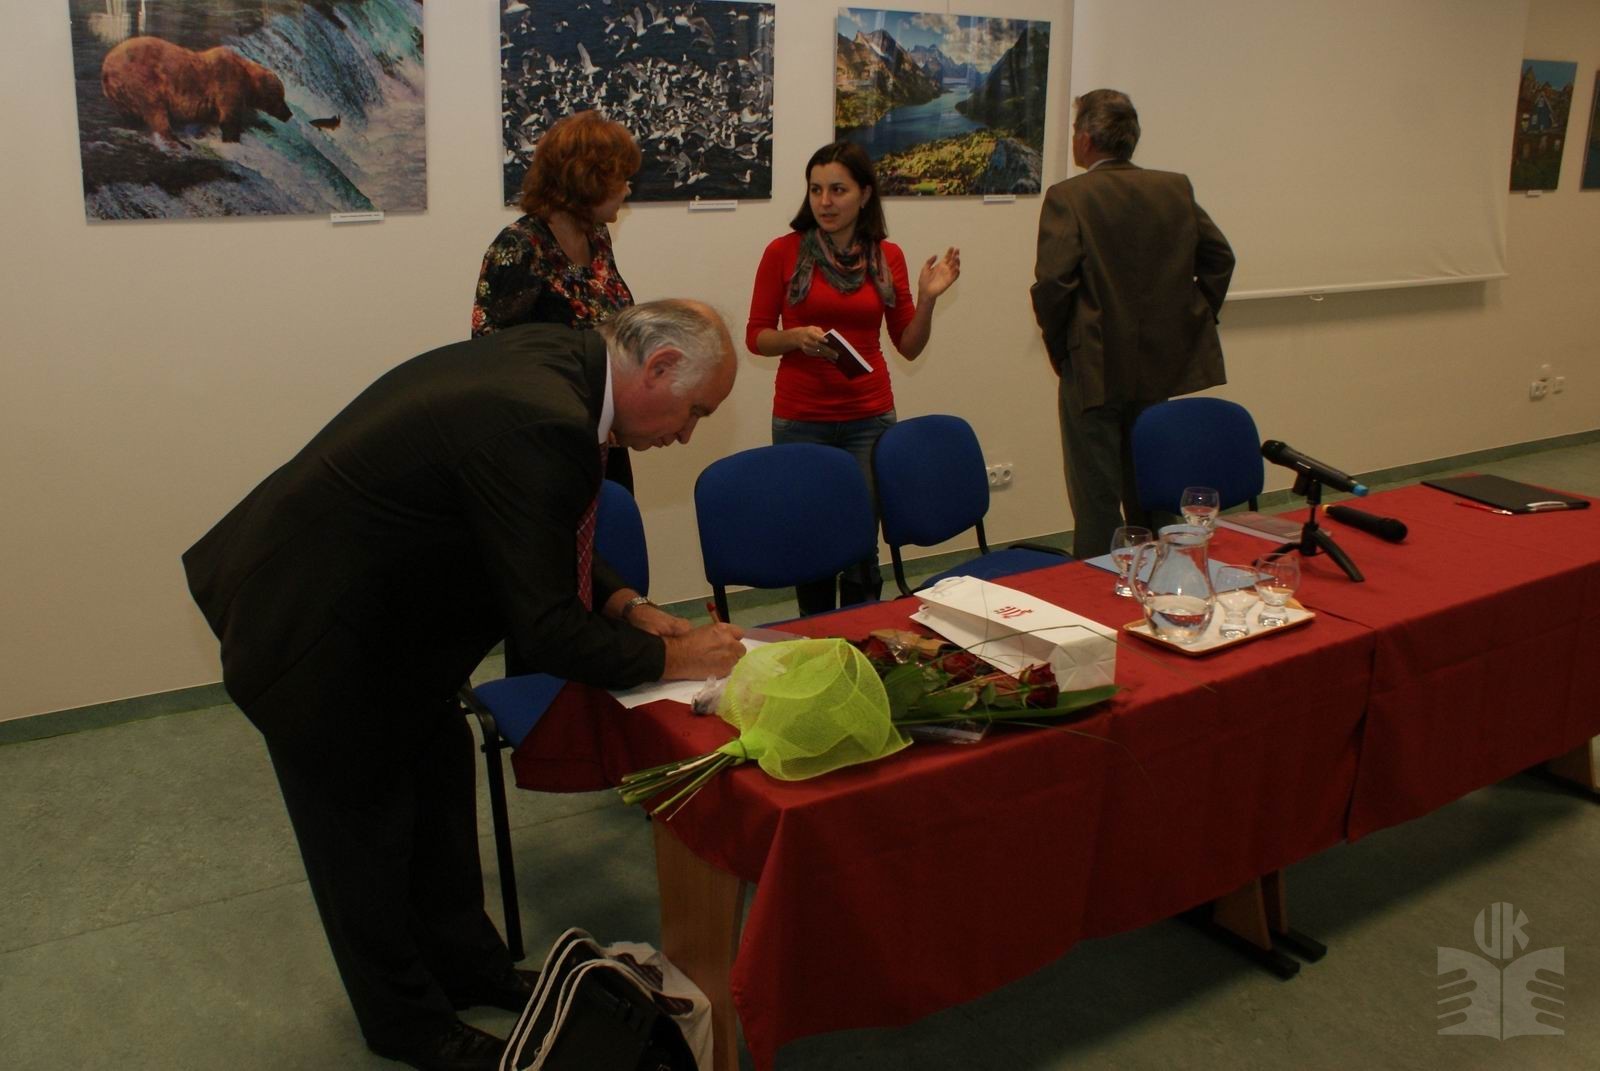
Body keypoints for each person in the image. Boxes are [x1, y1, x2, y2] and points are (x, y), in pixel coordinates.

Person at [182, 300, 745, 1071]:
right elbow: (545, 631)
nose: (686, 434)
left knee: (440, 788)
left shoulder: (570, 368)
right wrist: (676, 658)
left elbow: (536, 524)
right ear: (658, 367)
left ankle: (468, 966)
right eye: (696, 411)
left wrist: (626, 604)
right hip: (314, 631)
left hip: (391, 626)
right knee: (364, 839)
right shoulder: (545, 416)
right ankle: (408, 1022)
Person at [745, 141, 960, 615]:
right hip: (801, 419)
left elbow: (908, 345)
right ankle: (816, 635)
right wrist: (794, 337)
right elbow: (756, 336)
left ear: (864, 194)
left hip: (869, 418)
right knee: (812, 539)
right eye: (816, 190)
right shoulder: (782, 252)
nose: (824, 202)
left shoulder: (887, 256)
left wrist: (928, 300)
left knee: (861, 541)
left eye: (837, 190)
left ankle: (863, 635)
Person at [1031, 89, 1235, 559]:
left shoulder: (1069, 197)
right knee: (1152, 489)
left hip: (1093, 367)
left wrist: (1061, 347)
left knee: (1097, 503)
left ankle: (1099, 589)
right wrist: (1191, 318)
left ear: (1085, 139)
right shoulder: (1174, 189)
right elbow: (1220, 259)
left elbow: (1053, 285)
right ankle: (1166, 580)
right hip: (1158, 366)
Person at [472, 109, 640, 494]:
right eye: (622, 179)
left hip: (602, 440)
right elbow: (496, 362)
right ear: (589, 180)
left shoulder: (597, 237)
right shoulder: (519, 247)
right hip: (544, 450)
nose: (628, 191)